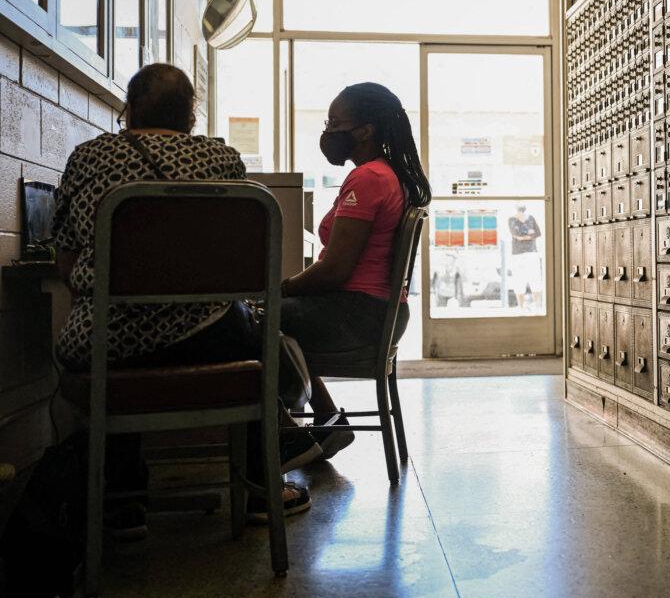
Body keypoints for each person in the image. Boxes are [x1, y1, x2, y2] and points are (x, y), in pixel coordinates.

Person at [51, 63, 316, 534]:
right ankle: (260, 487)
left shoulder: (88, 157)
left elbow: (66, 262)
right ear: (191, 117)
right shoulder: (222, 159)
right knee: (253, 331)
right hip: (209, 338)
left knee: (110, 347)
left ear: (128, 110)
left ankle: (120, 503)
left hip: (105, 341)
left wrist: (127, 305)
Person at [280, 82, 431, 461]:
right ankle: (327, 420)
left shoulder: (368, 178)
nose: (328, 133)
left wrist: (281, 288)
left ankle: (285, 440)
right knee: (268, 319)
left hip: (358, 313)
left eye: (335, 123)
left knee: (254, 323)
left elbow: (335, 271)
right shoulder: (386, 175)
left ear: (364, 130)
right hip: (378, 312)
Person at [508, 205, 543, 311]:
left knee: (535, 279)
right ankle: (522, 307)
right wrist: (529, 233)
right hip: (519, 254)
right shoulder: (512, 219)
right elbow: (516, 234)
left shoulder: (530, 218)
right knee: (520, 280)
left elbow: (538, 232)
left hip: (530, 253)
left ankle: (537, 306)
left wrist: (525, 236)